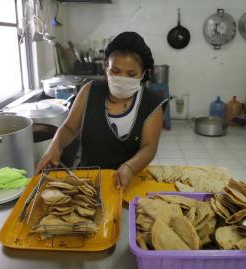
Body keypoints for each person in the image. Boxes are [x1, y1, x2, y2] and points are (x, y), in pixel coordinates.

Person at [35, 32, 167, 190]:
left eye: (131, 74)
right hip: (88, 181)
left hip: (129, 182)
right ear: (106, 68)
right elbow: (70, 128)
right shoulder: (90, 91)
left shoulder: (150, 103)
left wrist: (129, 168)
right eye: (115, 71)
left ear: (143, 74)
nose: (122, 78)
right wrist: (55, 144)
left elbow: (149, 147)